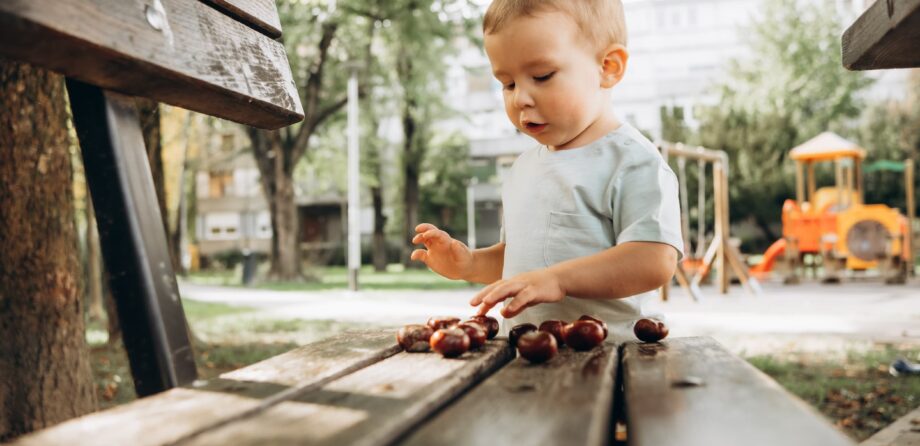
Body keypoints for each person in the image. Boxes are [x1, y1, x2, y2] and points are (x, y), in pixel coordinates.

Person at [411, 0, 683, 342]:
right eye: (507, 83)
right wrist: (470, 264)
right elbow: (525, 262)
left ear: (608, 67)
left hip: (615, 356)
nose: (520, 98)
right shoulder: (524, 167)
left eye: (542, 76)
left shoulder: (633, 162)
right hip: (530, 352)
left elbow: (654, 260)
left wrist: (558, 279)